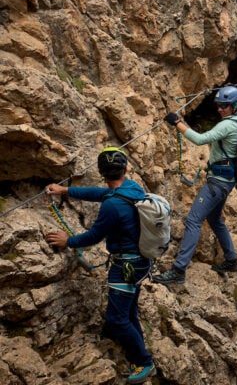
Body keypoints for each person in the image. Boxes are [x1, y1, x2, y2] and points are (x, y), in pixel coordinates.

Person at [45, 147, 156, 384]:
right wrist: (67, 190)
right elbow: (101, 193)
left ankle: (145, 362)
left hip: (125, 266)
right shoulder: (132, 188)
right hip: (141, 261)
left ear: (101, 173)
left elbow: (94, 236)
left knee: (117, 319)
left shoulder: (112, 206)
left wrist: (68, 241)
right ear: (125, 168)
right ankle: (136, 350)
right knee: (128, 311)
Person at [152, 86, 237, 285]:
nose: (220, 109)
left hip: (217, 182)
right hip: (228, 181)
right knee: (215, 220)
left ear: (235, 106)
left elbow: (199, 139)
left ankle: (178, 270)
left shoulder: (227, 126)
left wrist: (177, 122)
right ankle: (231, 260)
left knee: (193, 221)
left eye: (224, 106)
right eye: (218, 106)